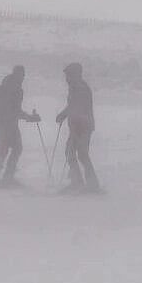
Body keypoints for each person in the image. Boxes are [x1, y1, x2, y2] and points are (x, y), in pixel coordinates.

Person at [0, 65, 40, 187]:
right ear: (16, 75)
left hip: (7, 123)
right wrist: (29, 118)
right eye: (21, 75)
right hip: (6, 124)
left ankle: (0, 177)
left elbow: (13, 110)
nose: (22, 78)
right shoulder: (10, 88)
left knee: (11, 148)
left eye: (23, 76)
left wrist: (27, 117)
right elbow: (12, 110)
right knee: (6, 148)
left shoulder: (11, 88)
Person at [56, 62, 99, 193]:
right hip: (78, 126)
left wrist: (73, 122)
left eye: (69, 75)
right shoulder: (76, 88)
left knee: (80, 153)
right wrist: (63, 115)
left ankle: (88, 184)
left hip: (82, 127)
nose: (67, 79)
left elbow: (79, 109)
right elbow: (72, 106)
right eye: (66, 76)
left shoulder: (80, 89)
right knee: (74, 153)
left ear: (76, 75)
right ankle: (81, 182)